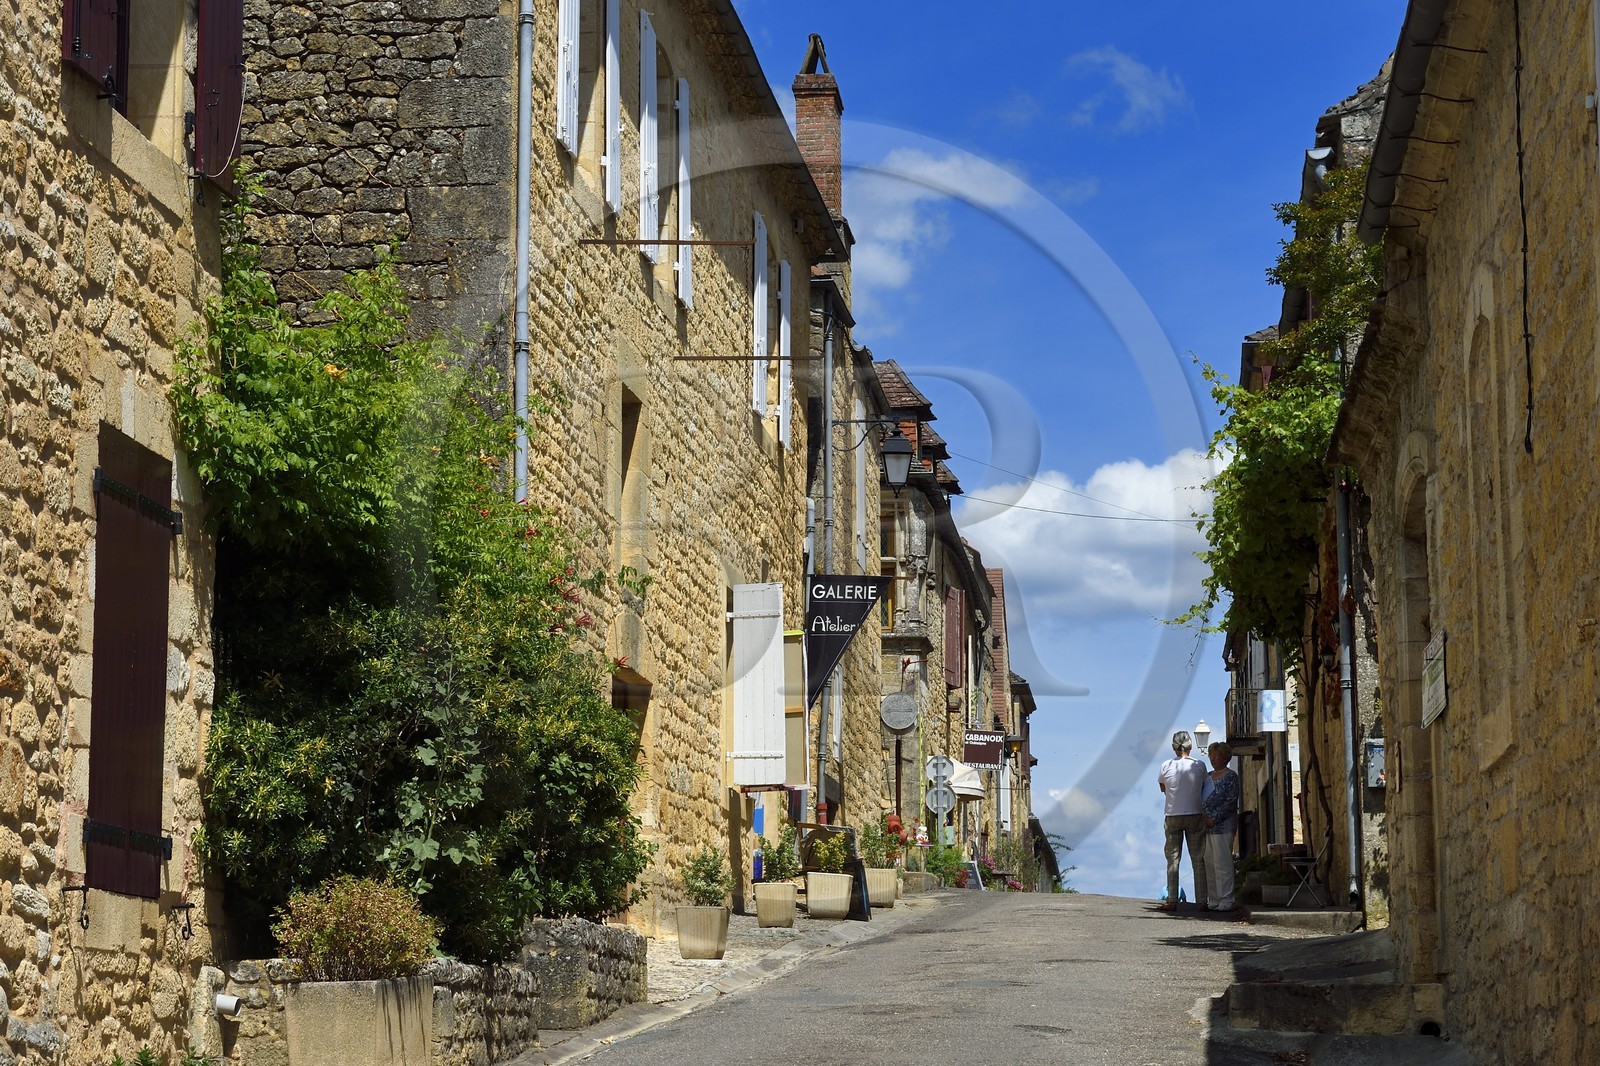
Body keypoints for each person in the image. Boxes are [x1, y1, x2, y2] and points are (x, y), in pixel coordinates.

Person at [1156, 731, 1208, 912]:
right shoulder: (1199, 765)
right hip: (1195, 813)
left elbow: (1163, 788)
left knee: (1173, 860)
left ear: (1173, 747)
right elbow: (1204, 787)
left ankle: (1171, 900)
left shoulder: (1166, 765)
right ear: (1190, 746)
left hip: (1173, 815)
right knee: (1198, 859)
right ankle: (1202, 901)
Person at [1201, 741, 1242, 913]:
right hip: (1207, 827)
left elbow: (1231, 801)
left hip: (1223, 826)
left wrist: (1215, 818)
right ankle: (1214, 899)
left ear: (1224, 757)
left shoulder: (1231, 776)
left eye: (1216, 756)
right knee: (1210, 863)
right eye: (1211, 756)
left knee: (1223, 863)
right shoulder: (1208, 776)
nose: (1212, 759)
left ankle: (1227, 899)